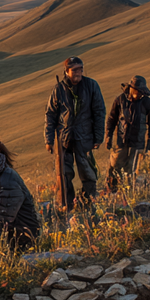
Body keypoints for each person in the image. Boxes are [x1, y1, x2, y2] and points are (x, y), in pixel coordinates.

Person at [44, 56, 106, 210]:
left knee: (88, 172)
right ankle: (67, 206)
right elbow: (50, 114)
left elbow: (99, 112)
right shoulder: (59, 89)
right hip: (63, 138)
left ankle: (88, 203)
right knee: (63, 174)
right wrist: (49, 139)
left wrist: (98, 137)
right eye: (75, 70)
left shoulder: (91, 85)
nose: (79, 72)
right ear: (66, 71)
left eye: (81, 69)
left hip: (84, 136)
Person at [104, 76, 150, 192]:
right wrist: (108, 136)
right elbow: (112, 119)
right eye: (137, 91)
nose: (139, 94)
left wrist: (149, 146)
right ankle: (111, 192)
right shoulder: (120, 100)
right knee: (114, 167)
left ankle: (129, 194)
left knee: (131, 171)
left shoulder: (148, 103)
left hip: (138, 144)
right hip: (121, 141)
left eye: (141, 92)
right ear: (131, 88)